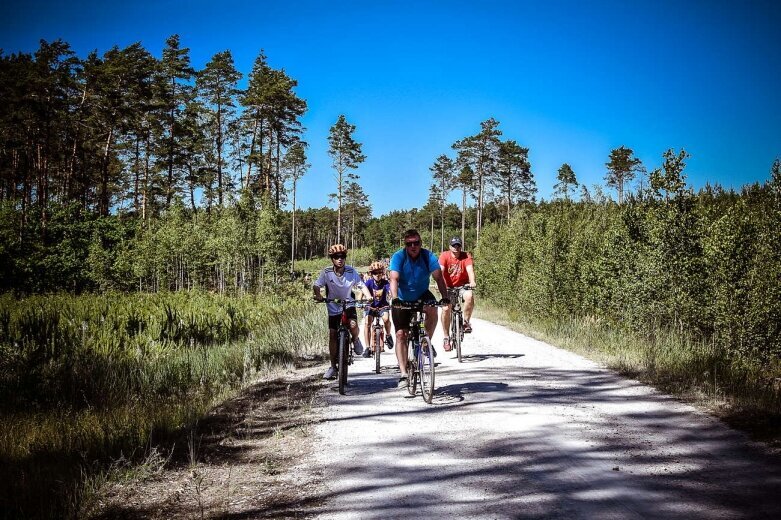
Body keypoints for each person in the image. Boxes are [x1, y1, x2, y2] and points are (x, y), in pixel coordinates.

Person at [389, 229, 450, 388]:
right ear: (405, 245)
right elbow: (394, 278)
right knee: (401, 334)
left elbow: (438, 278)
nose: (413, 246)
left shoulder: (427, 256)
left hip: (422, 294)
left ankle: (425, 342)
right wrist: (395, 298)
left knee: (433, 308)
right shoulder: (399, 257)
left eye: (416, 243)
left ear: (420, 243)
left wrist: (445, 297)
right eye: (409, 244)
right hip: (401, 298)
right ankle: (403, 373)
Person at [313, 244, 373, 379]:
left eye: (342, 256)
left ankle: (356, 339)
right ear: (332, 259)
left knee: (352, 325)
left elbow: (361, 285)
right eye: (336, 257)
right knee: (333, 335)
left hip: (348, 303)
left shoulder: (351, 271)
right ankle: (333, 367)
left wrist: (368, 296)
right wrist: (318, 294)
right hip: (333, 306)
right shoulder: (326, 272)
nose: (339, 259)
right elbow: (317, 285)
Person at [439, 236, 477, 351]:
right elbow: (440, 270)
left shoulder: (466, 256)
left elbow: (470, 270)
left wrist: (472, 281)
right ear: (449, 246)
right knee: (446, 309)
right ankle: (446, 337)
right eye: (453, 245)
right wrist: (439, 283)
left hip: (463, 285)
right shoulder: (444, 256)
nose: (456, 248)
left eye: (458, 245)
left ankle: (466, 322)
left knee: (469, 296)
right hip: (448, 287)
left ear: (461, 246)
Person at [362, 261, 394, 357]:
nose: (378, 275)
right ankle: (367, 347)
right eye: (375, 273)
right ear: (371, 274)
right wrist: (359, 301)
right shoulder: (369, 282)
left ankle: (388, 335)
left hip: (383, 306)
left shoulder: (385, 283)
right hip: (370, 306)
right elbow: (362, 291)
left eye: (380, 272)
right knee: (367, 322)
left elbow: (390, 290)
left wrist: (392, 295)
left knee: (386, 319)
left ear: (383, 273)